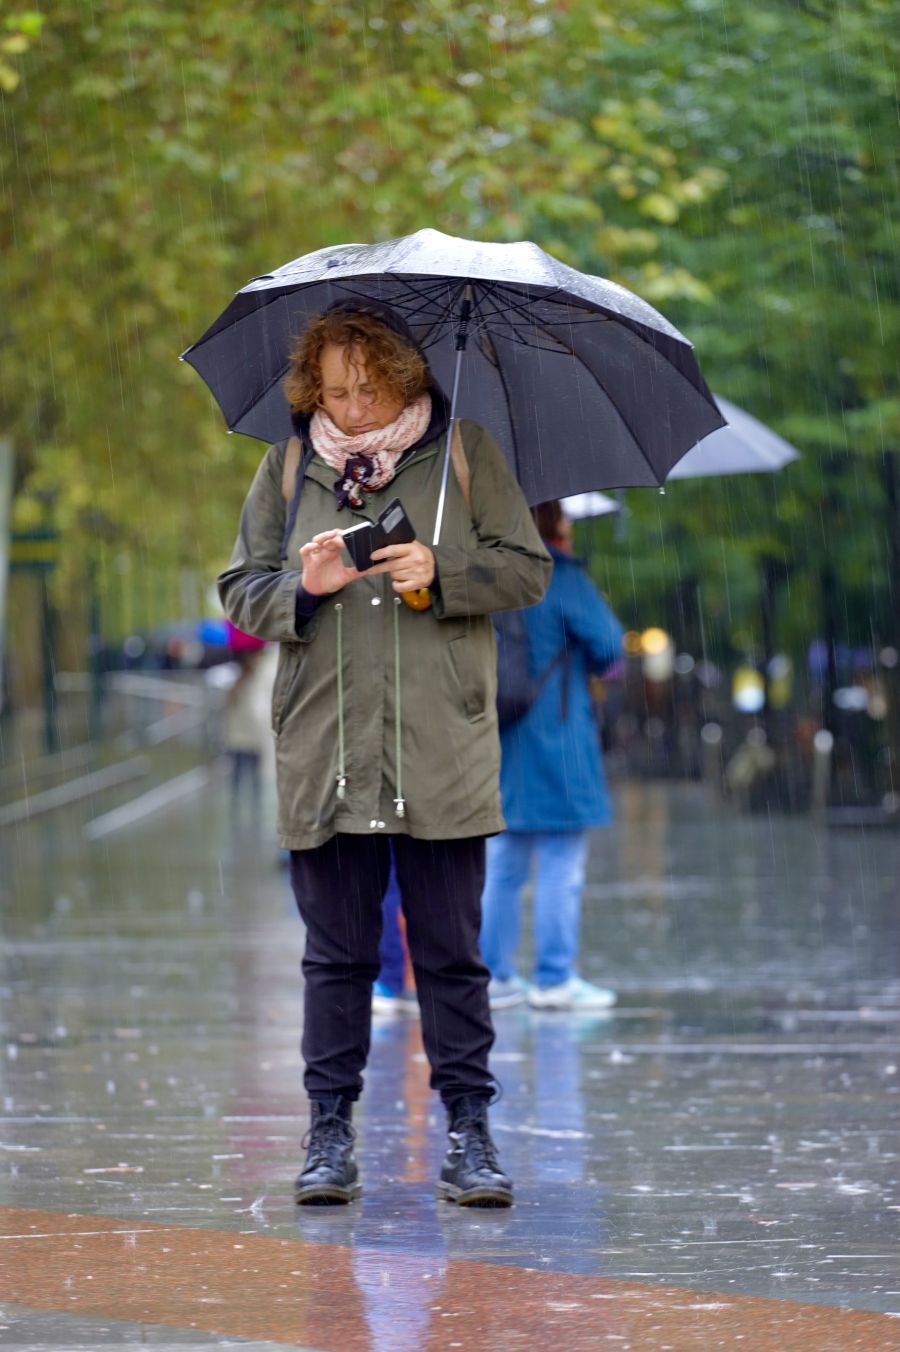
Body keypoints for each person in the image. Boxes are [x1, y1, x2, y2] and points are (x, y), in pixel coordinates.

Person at [218, 301, 550, 1207]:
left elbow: (528, 569)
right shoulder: (286, 469)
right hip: (325, 746)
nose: (354, 404)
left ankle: (470, 1134)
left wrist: (443, 574)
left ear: (405, 376)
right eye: (335, 388)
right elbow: (240, 591)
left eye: (369, 385)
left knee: (451, 954)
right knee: (336, 957)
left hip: (440, 745)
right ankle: (329, 1133)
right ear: (309, 387)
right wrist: (306, 586)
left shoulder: (467, 456)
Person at [480, 501, 624, 1011]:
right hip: (560, 736)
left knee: (504, 863)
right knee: (562, 860)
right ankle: (554, 977)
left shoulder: (494, 572)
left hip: (505, 734)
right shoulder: (560, 577)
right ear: (556, 523)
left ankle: (493, 976)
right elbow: (609, 646)